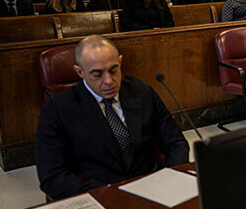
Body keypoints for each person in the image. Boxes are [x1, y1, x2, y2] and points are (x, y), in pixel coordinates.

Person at [34, 35, 189, 199]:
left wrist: (169, 179)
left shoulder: (143, 93)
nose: (108, 81)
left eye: (114, 70)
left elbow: (176, 143)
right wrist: (109, 193)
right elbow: (52, 177)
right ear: (80, 72)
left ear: (120, 62)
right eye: (97, 74)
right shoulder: (57, 109)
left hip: (152, 187)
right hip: (99, 196)